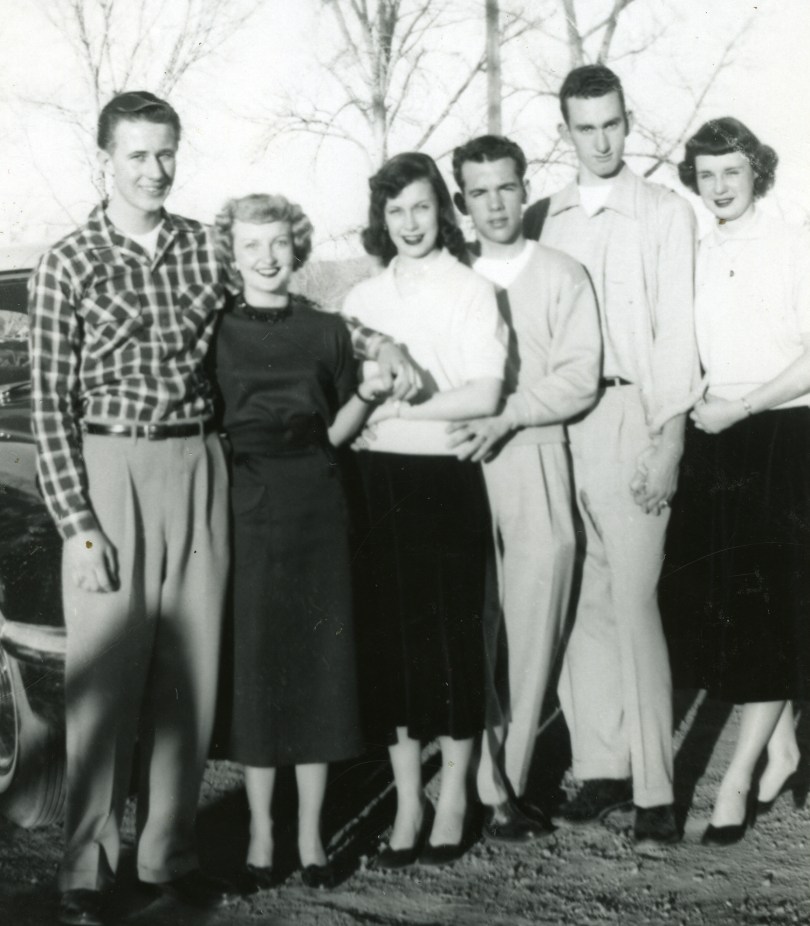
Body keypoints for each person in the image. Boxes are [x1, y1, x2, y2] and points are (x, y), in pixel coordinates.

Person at [28, 91, 238, 926]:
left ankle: (167, 856)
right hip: (108, 470)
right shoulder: (69, 260)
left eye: (166, 153)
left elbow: (273, 313)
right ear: (105, 160)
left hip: (197, 463)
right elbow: (47, 406)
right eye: (137, 155)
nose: (154, 171)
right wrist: (78, 525)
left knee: (192, 679)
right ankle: (84, 868)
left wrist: (378, 345)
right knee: (104, 683)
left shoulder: (206, 249)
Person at [523, 65, 699, 846]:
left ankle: (657, 787)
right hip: (560, 423)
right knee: (583, 602)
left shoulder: (663, 213)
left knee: (633, 599)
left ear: (629, 122)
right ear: (564, 132)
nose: (600, 141)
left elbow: (675, 333)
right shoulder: (540, 217)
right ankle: (603, 767)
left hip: (635, 412)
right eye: (584, 128)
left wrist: (670, 438)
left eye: (612, 124)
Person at [211, 193, 387, 889]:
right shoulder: (214, 329)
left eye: (278, 242)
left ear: (298, 245)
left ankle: (310, 834)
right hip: (246, 506)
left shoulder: (327, 330)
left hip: (318, 503)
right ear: (232, 252)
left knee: (319, 671)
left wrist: (370, 394)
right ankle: (260, 833)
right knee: (258, 674)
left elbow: (339, 430)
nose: (266, 257)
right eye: (251, 245)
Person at [344, 151, 506, 867]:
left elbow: (484, 395)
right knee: (392, 650)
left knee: (451, 645)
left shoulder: (470, 289)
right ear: (381, 219)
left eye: (420, 206)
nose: (409, 223)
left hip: (446, 483)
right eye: (395, 210)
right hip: (376, 485)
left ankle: (457, 797)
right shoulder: (363, 300)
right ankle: (410, 801)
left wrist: (402, 412)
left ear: (442, 208)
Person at [447, 135, 601, 841]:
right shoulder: (447, 275)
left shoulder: (562, 273)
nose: (496, 203)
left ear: (524, 186)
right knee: (471, 621)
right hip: (459, 463)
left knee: (537, 622)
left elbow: (578, 374)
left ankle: (504, 782)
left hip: (535, 452)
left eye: (506, 187)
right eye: (479, 192)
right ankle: (466, 769)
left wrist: (510, 415)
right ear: (462, 201)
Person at [673, 118, 809, 845]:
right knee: (733, 605)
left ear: (757, 169)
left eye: (732, 171)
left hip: (780, 436)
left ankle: (735, 778)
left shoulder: (794, 242)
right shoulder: (696, 251)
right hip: (716, 440)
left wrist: (742, 407)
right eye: (707, 174)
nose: (719, 186)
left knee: (768, 610)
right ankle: (783, 743)